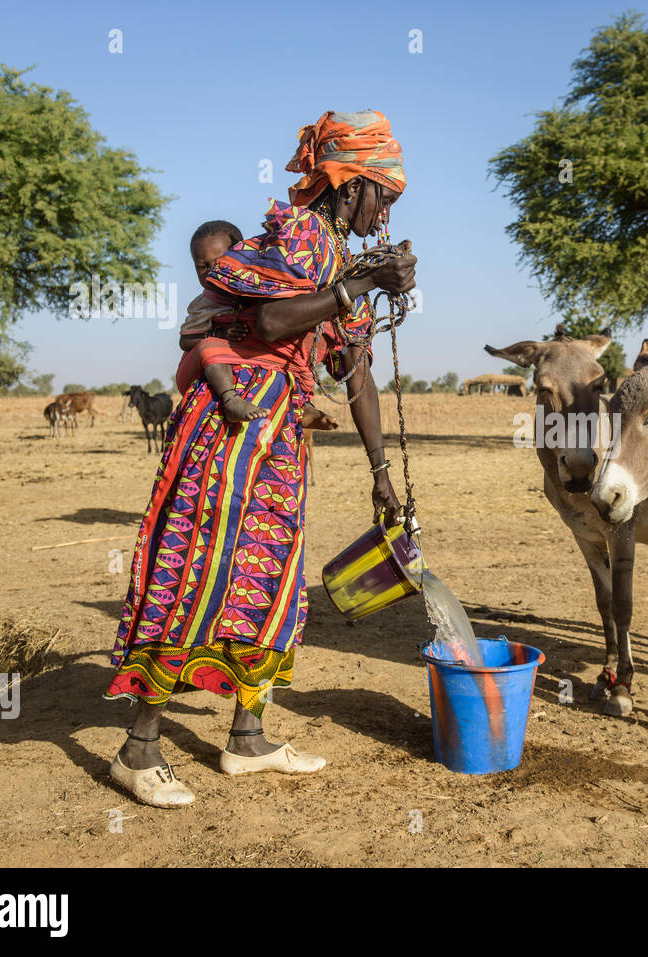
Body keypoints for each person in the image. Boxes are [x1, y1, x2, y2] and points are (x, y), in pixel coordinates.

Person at [106, 109, 417, 808]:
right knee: (198, 569)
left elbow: (355, 372)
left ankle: (247, 736)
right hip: (230, 425)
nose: (387, 212)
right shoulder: (298, 235)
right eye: (384, 196)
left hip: (280, 438)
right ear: (350, 184)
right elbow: (273, 321)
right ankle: (138, 747)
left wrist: (380, 472)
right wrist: (360, 286)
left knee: (268, 577)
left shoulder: (343, 253)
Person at [175, 220, 342, 430]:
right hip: (196, 367)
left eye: (219, 263)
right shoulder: (206, 302)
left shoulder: (255, 292)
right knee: (209, 347)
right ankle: (230, 400)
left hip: (236, 356)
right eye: (202, 266)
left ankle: (302, 406)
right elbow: (186, 340)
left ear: (238, 257)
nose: (211, 272)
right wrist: (218, 333)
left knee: (283, 354)